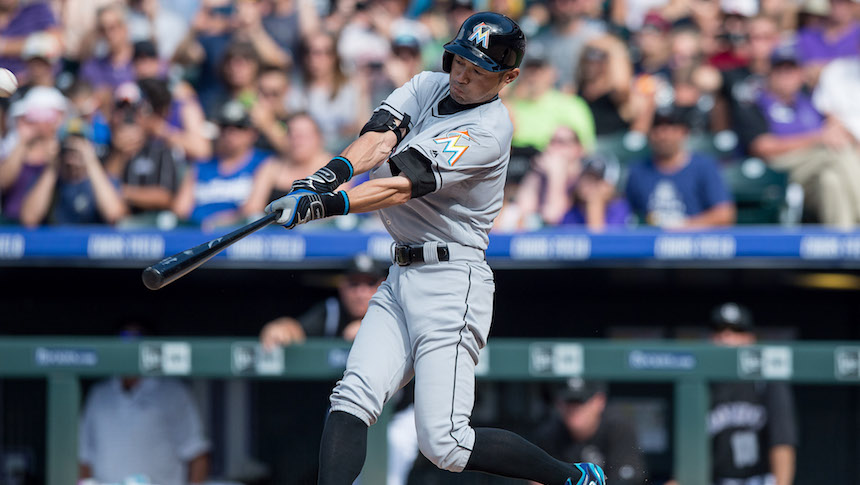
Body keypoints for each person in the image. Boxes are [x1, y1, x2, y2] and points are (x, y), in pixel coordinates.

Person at [264, 12, 606, 485]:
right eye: (460, 61)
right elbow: (378, 140)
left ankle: (572, 477)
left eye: (478, 70)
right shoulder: (427, 84)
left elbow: (401, 185)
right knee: (352, 397)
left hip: (452, 278)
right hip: (400, 270)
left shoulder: (489, 128)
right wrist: (326, 176)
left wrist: (326, 204)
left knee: (445, 443)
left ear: (508, 77)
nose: (462, 76)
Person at [78, 321, 211, 485]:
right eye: (124, 339)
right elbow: (84, 456)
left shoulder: (173, 391)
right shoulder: (99, 394)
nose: (130, 346)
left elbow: (196, 452)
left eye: (137, 338)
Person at [746, 42, 860, 227]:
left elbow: (835, 131)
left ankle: (845, 238)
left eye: (791, 69)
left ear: (801, 73)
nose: (785, 75)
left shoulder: (810, 102)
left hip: (816, 166)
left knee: (830, 181)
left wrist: (834, 135)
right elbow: (763, 147)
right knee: (837, 152)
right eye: (779, 69)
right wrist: (817, 138)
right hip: (780, 166)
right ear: (770, 73)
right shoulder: (756, 102)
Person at [708, 303, 798, 485]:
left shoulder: (765, 381)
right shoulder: (703, 383)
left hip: (759, 480)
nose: (726, 336)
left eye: (736, 330)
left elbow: (782, 443)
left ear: (750, 338)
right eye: (720, 330)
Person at [625, 105, 736, 229]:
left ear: (684, 132)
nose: (662, 135)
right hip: (650, 239)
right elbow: (625, 211)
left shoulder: (704, 167)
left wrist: (683, 226)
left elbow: (724, 215)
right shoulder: (638, 170)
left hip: (695, 238)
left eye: (670, 127)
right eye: (656, 127)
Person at [172, 100, 272, 229]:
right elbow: (180, 210)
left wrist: (218, 223)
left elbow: (253, 209)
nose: (230, 133)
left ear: (253, 133)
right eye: (225, 126)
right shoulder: (200, 165)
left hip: (239, 233)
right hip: (197, 233)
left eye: (239, 127)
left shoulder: (263, 163)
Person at [531, 379, 647, 485]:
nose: (574, 409)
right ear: (559, 403)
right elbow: (538, 480)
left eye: (581, 402)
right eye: (569, 402)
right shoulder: (548, 435)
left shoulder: (618, 429)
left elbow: (629, 479)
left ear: (599, 401)